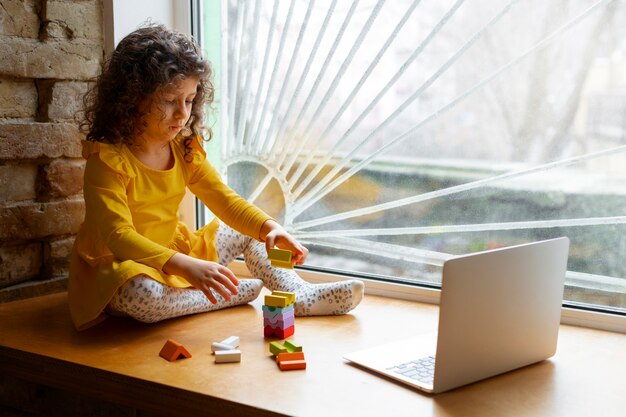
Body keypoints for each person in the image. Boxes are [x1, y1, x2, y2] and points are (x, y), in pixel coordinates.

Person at [68, 24, 364, 330]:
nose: (182, 114)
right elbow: (119, 237)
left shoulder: (184, 149)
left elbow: (224, 200)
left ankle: (298, 293)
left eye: (189, 100)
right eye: (170, 100)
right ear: (132, 98)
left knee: (248, 230)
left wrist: (270, 228)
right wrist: (188, 267)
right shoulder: (107, 160)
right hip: (121, 266)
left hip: (177, 255)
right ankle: (228, 294)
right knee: (140, 294)